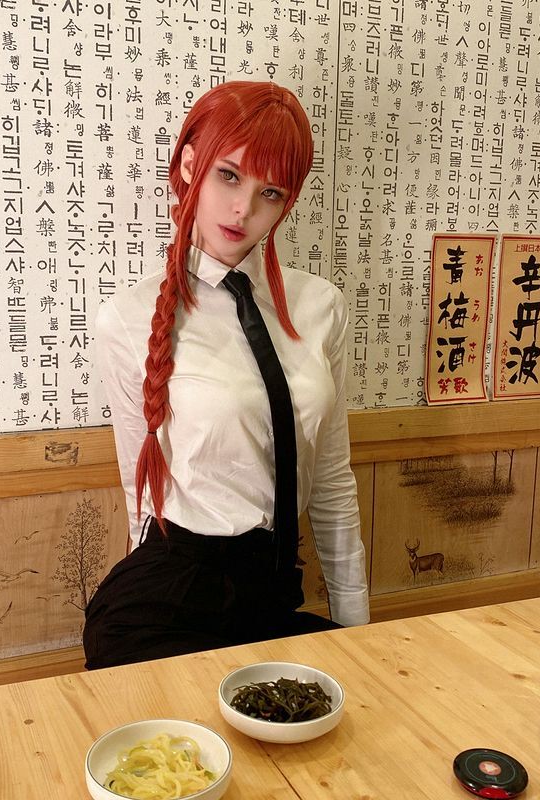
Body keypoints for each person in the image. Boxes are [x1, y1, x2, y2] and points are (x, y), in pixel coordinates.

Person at [83, 81, 369, 670]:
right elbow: (142, 494)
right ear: (191, 165)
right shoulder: (127, 319)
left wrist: (355, 627)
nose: (244, 210)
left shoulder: (322, 308)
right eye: (229, 176)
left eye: (270, 192)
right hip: (169, 601)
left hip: (273, 597)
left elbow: (331, 479)